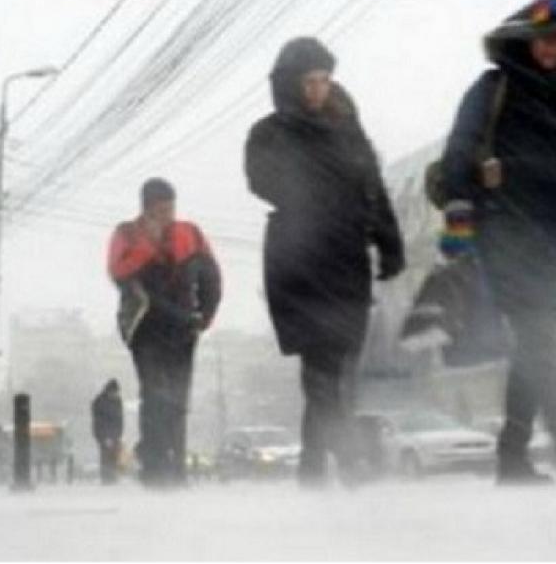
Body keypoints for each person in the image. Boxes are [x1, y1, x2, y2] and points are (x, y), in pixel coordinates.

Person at [245, 37, 404, 488]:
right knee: (320, 364)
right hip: (297, 260)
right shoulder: (268, 133)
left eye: (324, 80)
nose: (317, 90)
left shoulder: (350, 134)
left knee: (341, 367)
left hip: (347, 260)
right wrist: (317, 188)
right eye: (309, 81)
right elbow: (262, 180)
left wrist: (389, 243)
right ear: (290, 85)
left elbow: (374, 190)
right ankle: (349, 458)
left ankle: (313, 468)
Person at [438, 0, 556, 485]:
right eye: (545, 41)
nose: (552, 51)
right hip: (508, 233)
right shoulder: (495, 89)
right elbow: (459, 153)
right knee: (541, 339)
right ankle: (513, 456)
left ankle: (512, 455)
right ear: (524, 42)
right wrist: (460, 222)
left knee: (540, 347)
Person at [108, 178, 221, 487]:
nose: (167, 215)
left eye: (170, 208)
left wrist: (204, 317)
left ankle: (173, 465)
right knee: (156, 394)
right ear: (146, 209)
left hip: (183, 329)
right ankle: (156, 466)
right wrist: (148, 245)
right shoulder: (127, 234)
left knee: (177, 399)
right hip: (145, 329)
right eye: (160, 209)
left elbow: (212, 276)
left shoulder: (191, 234)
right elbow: (118, 273)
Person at [91, 379, 123, 485]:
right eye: (115, 392)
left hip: (115, 435)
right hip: (104, 436)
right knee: (106, 459)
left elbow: (120, 420)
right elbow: (99, 422)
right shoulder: (99, 402)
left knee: (114, 459)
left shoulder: (117, 401)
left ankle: (113, 479)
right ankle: (106, 480)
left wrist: (118, 435)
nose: (116, 394)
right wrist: (104, 437)